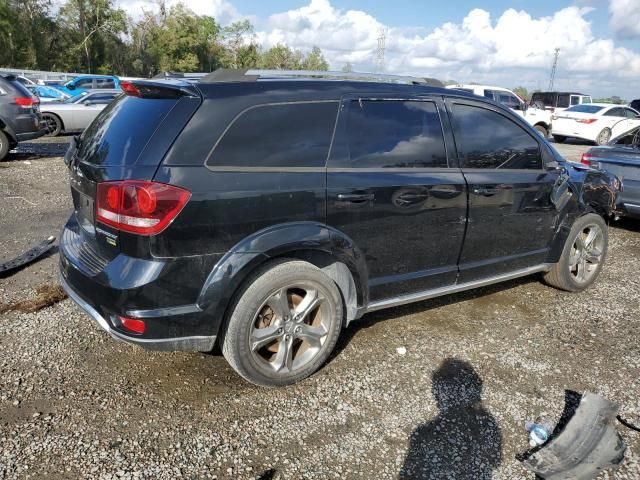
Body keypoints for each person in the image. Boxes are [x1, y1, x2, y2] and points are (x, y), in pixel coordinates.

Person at [400, 359, 502, 479]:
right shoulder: (488, 424)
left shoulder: (424, 434)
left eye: (436, 391)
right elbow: (495, 461)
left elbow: (409, 473)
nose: (434, 393)